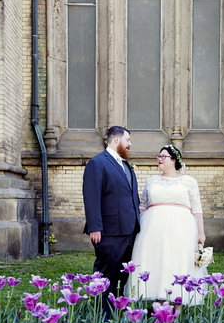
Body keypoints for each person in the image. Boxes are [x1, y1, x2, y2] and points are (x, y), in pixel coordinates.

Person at [128, 145, 207, 305]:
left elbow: (197, 208)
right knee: (155, 260)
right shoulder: (151, 181)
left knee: (178, 260)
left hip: (181, 228)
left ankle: (177, 304)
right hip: (153, 228)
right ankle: (158, 300)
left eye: (163, 156)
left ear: (174, 160)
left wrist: (201, 233)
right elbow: (142, 205)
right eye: (158, 156)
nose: (159, 159)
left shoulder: (189, 182)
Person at [82, 126, 141, 313]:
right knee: (106, 275)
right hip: (108, 231)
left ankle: (118, 311)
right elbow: (91, 196)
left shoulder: (125, 165)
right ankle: (103, 315)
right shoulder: (97, 163)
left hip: (129, 230)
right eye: (128, 140)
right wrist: (95, 227)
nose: (130, 144)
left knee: (122, 276)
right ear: (116, 140)